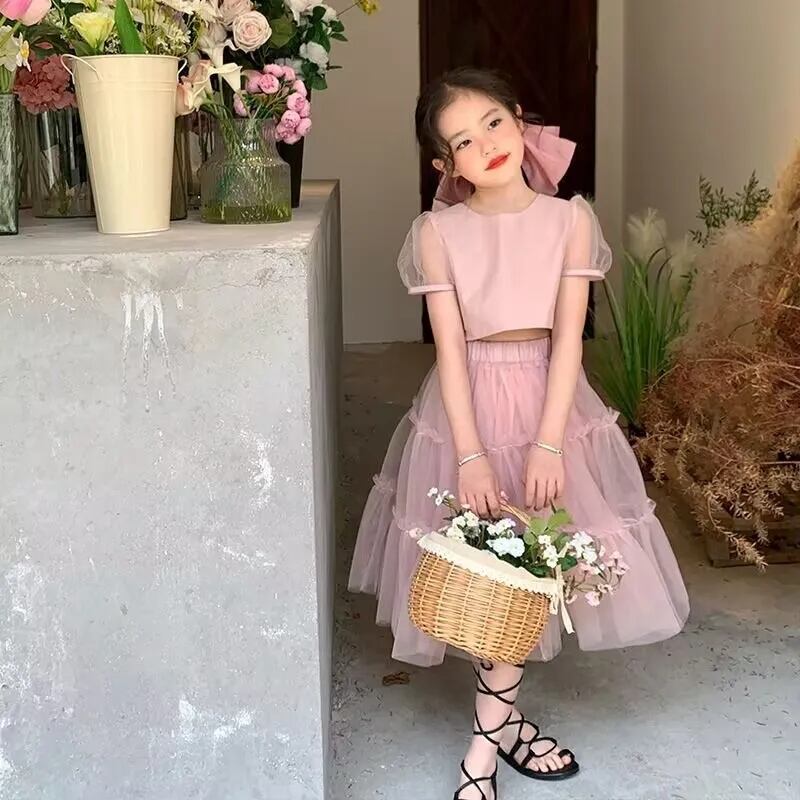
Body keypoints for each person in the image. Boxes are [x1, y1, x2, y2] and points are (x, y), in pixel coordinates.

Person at [348, 67, 689, 799]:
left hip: (549, 402)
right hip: (468, 407)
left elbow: (569, 341)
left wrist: (550, 442)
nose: (487, 145)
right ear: (445, 165)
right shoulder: (437, 232)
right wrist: (470, 455)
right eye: (463, 142)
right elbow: (449, 351)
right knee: (490, 570)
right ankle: (496, 737)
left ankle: (486, 743)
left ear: (520, 118)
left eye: (494, 124)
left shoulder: (570, 220)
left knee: (533, 565)